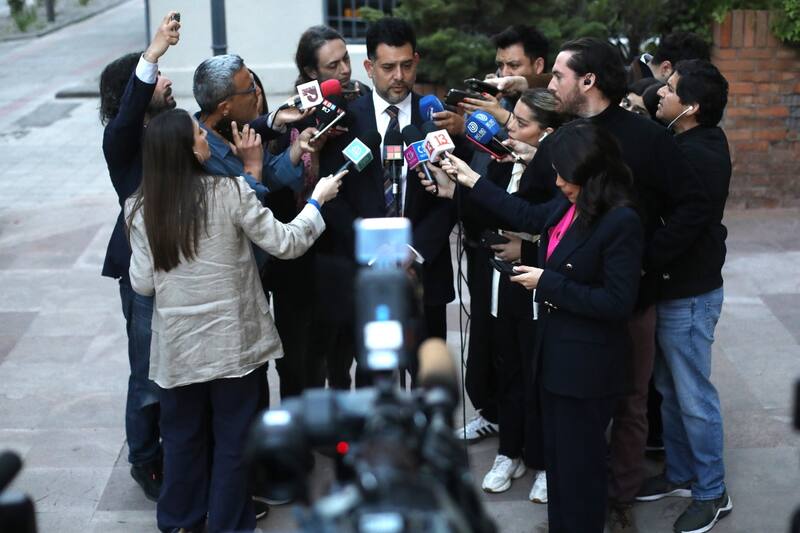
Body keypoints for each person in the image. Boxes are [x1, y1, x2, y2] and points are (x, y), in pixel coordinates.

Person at [125, 108, 344, 533]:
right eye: (199, 134)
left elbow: (143, 284)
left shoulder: (139, 206)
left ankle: (178, 522)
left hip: (179, 351)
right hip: (233, 346)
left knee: (183, 441)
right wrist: (317, 201)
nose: (207, 138)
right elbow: (287, 242)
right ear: (188, 149)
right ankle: (228, 525)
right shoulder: (231, 192)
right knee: (233, 444)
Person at [426, 121, 644, 533]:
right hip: (556, 360)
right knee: (561, 468)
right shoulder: (570, 204)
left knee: (582, 471)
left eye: (565, 174)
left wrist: (547, 282)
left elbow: (617, 303)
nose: (558, 181)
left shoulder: (621, 221)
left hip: (587, 371)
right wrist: (471, 179)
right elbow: (525, 214)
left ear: (592, 173)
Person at [546, 37, 710, 533]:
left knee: (630, 401)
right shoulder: (565, 133)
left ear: (588, 80)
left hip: (630, 299)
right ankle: (581, 500)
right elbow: (543, 207)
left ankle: (620, 497)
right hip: (573, 305)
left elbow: (694, 206)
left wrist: (645, 260)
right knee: (578, 411)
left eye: (558, 75)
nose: (549, 84)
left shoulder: (647, 137)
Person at [316, 17, 460, 388]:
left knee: (429, 379)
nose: (399, 76)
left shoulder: (437, 120)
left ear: (417, 60)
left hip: (423, 270)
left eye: (407, 65)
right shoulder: (347, 121)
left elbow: (450, 198)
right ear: (369, 67)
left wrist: (411, 251)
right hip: (368, 272)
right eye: (388, 67)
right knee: (373, 379)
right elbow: (335, 198)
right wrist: (376, 251)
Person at [448, 89, 564, 504]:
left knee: (539, 377)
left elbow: (547, 225)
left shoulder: (558, 173)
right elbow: (481, 213)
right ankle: (508, 452)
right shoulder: (500, 161)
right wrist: (452, 185)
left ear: (548, 134)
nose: (509, 129)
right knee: (508, 370)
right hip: (498, 285)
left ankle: (547, 462)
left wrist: (527, 247)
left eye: (522, 123)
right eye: (511, 119)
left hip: (538, 289)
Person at [636, 59, 733, 533]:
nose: (660, 94)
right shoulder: (689, 142)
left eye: (670, 90)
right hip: (675, 288)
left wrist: (644, 257)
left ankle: (712, 491)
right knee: (670, 389)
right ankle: (680, 474)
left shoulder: (700, 154)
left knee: (693, 395)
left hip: (690, 294)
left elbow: (685, 223)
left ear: (690, 107)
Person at [98, 10, 179, 502]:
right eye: (155, 77)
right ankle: (146, 459)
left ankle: (182, 444)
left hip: (184, 261)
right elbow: (129, 115)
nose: (169, 80)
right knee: (147, 370)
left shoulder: (173, 127)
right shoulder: (122, 142)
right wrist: (151, 53)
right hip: (141, 270)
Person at [294, 24, 370, 100]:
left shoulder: (361, 91)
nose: (346, 70)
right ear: (311, 72)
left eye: (346, 58)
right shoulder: (301, 108)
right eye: (333, 66)